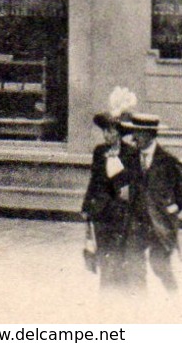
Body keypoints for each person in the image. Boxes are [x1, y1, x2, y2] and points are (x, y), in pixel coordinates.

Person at [114, 113, 182, 292]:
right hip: (136, 221)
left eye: (139, 134)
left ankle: (174, 297)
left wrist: (173, 208)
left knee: (160, 266)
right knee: (134, 264)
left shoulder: (168, 161)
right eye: (134, 133)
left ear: (150, 135)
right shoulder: (130, 159)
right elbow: (119, 182)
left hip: (160, 223)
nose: (134, 138)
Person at [80, 90, 134, 291]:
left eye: (111, 131)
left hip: (120, 211)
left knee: (119, 255)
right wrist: (86, 206)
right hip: (101, 210)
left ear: (120, 132)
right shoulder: (99, 151)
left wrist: (116, 163)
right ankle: (106, 292)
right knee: (103, 254)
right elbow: (94, 180)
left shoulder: (130, 154)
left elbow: (127, 184)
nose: (107, 135)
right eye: (105, 131)